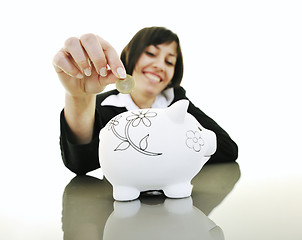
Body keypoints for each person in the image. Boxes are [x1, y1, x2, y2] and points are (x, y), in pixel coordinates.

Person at [53, 27, 238, 175]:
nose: (159, 65)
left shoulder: (176, 102)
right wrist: (79, 98)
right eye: (150, 53)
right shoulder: (103, 106)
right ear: (131, 55)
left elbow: (226, 148)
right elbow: (81, 164)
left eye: (170, 62)